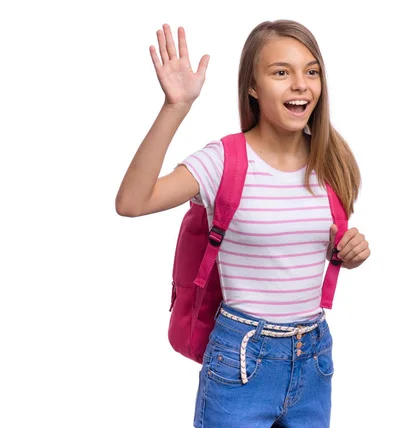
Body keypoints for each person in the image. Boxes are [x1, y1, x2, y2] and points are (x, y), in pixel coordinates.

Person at [115, 19, 370, 428]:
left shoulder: (331, 160)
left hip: (314, 358)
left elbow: (308, 244)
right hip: (241, 360)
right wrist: (175, 107)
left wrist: (350, 250)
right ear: (252, 86)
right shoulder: (223, 161)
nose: (301, 84)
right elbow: (132, 202)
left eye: (311, 71)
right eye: (281, 72)